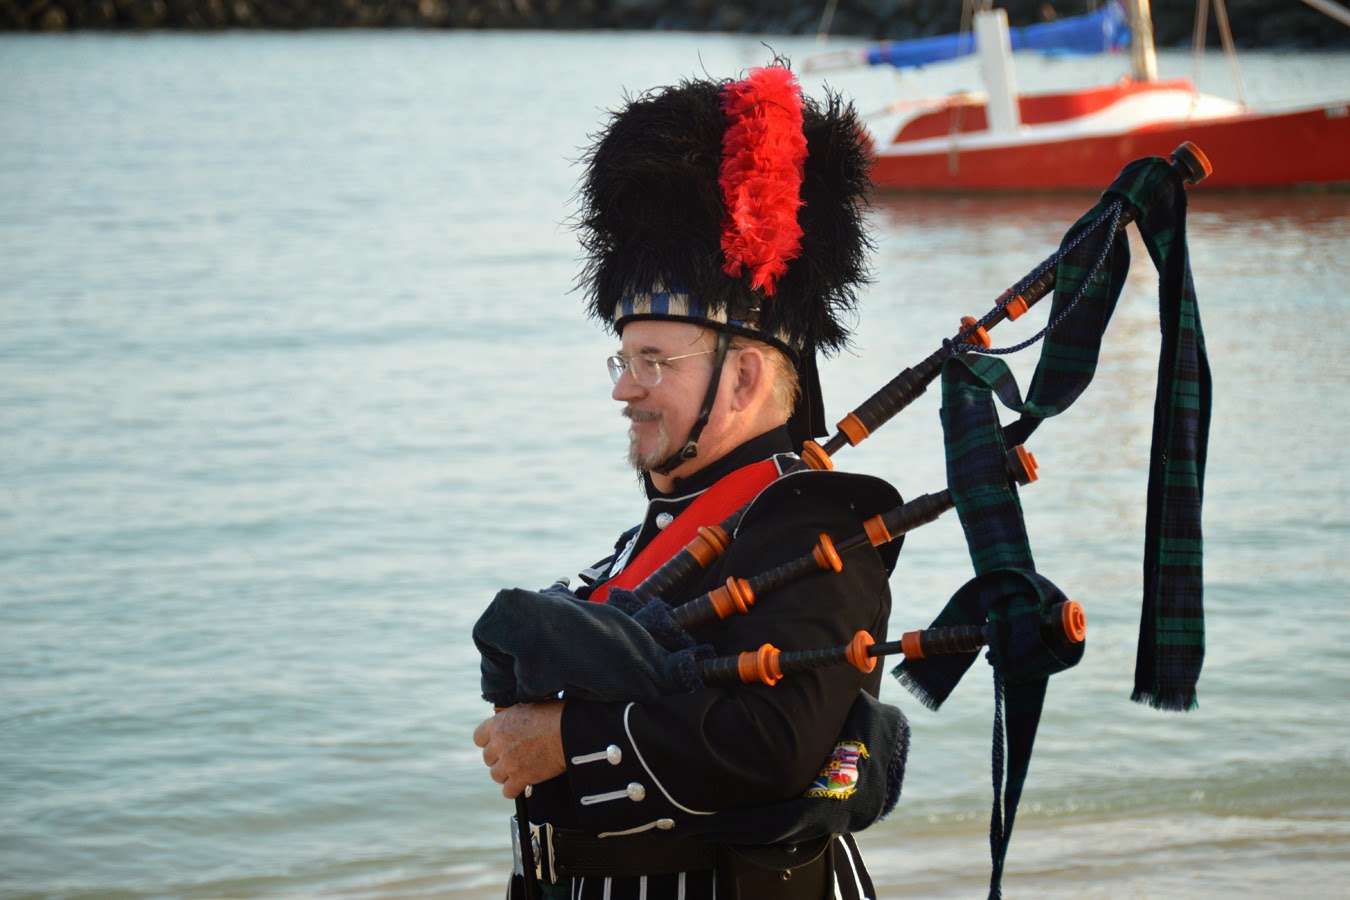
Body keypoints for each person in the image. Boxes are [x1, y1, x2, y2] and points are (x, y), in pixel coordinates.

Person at [473, 64, 907, 900]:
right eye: (622, 358)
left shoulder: (820, 528)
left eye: (651, 362)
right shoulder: (652, 537)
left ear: (744, 381)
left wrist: (573, 737)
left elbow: (778, 745)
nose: (622, 388)